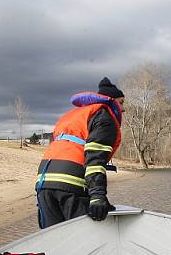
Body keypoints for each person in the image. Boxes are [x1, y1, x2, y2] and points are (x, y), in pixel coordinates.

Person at [35, 77, 125, 228]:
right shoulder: (104, 117)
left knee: (54, 239)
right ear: (111, 100)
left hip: (44, 182)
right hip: (71, 181)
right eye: (121, 103)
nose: (123, 109)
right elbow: (95, 160)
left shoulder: (76, 115)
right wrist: (97, 196)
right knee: (81, 238)